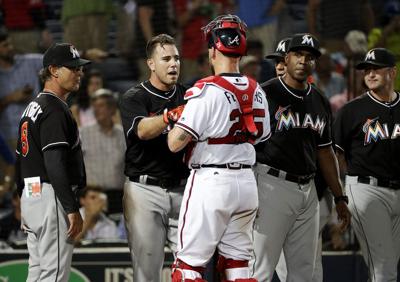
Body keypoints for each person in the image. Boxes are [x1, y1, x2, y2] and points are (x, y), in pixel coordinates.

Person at [167, 14, 271, 281]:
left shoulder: (206, 89)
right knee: (238, 265)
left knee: (187, 267)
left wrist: (173, 119)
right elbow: (262, 136)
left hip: (212, 181)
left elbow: (175, 143)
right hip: (247, 184)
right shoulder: (257, 89)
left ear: (213, 50)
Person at [251, 33, 351, 282]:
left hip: (308, 192)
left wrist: (339, 196)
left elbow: (325, 152)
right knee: (259, 269)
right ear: (286, 58)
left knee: (304, 273)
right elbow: (246, 144)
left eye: (309, 57)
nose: (303, 61)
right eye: (298, 54)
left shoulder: (319, 100)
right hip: (270, 185)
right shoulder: (264, 94)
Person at [15, 43, 89, 282]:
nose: (79, 73)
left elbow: (20, 159)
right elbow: (54, 162)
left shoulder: (32, 107)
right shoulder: (54, 108)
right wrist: (71, 208)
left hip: (32, 195)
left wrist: (24, 200)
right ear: (54, 70)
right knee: (54, 274)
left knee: (37, 272)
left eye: (80, 68)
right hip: (50, 197)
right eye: (73, 67)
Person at [119, 33, 188, 282]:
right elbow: (142, 131)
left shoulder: (189, 94)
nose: (173, 64)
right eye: (166, 58)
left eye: (177, 58)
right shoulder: (134, 97)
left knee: (192, 265)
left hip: (183, 189)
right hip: (144, 191)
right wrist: (170, 117)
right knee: (147, 272)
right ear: (151, 63)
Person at [334, 47, 400, 282]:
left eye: (376, 69)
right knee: (383, 268)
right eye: (366, 70)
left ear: (392, 72)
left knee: (389, 264)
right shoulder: (351, 111)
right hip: (365, 189)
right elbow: (333, 155)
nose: (370, 74)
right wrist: (339, 196)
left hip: (397, 190)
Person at [79, 89, 126, 213]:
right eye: (94, 107)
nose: (96, 110)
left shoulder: (123, 135)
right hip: (92, 196)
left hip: (118, 197)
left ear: (112, 109)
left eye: (101, 106)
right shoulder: (82, 133)